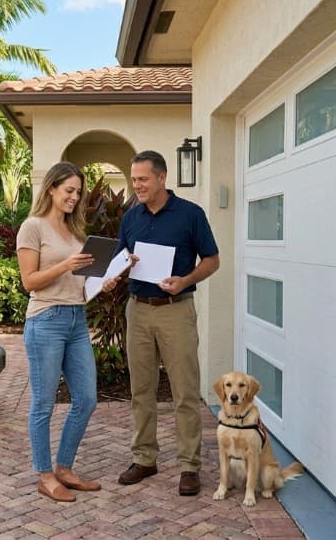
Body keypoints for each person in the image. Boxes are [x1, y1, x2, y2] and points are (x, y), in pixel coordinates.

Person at [116, 150, 219, 496]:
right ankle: (144, 457)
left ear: (162, 178)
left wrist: (185, 280)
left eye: (143, 179)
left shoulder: (191, 215)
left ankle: (189, 465)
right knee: (141, 389)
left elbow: (212, 260)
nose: (137, 186)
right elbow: (120, 260)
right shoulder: (130, 218)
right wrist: (121, 268)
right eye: (134, 180)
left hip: (176, 308)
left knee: (185, 391)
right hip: (138, 309)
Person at [16, 162, 120, 502]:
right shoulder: (32, 228)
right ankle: (45, 475)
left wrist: (102, 283)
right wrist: (65, 265)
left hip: (76, 319)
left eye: (78, 192)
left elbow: (79, 283)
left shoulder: (76, 233)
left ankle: (64, 467)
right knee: (44, 403)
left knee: (87, 398)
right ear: (51, 190)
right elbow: (29, 282)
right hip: (45, 320)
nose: (74, 197)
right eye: (68, 191)